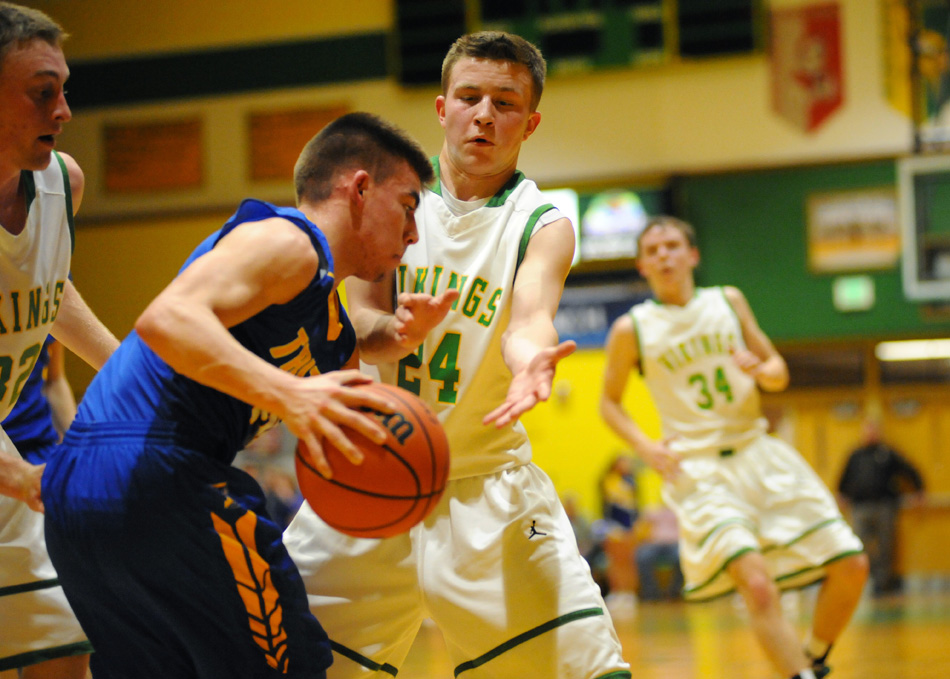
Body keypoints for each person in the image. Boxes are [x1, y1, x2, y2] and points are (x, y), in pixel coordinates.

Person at [285, 31, 631, 679]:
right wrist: (392, 330)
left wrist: (531, 359)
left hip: (488, 487)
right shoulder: (384, 195)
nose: (485, 114)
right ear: (442, 108)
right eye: (470, 97)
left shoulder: (543, 220)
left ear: (529, 123)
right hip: (366, 475)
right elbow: (358, 316)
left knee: (593, 671)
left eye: (505, 102)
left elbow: (529, 316)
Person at [41, 111, 434, 679]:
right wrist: (290, 395)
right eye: (408, 206)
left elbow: (351, 410)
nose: (414, 233)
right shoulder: (288, 240)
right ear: (360, 188)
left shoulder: (331, 330)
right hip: (160, 472)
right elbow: (167, 318)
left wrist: (395, 336)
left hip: (77, 492)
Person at [600, 216, 869, 679]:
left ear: (692, 255)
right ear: (643, 265)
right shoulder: (633, 328)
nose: (663, 255)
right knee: (759, 588)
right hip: (700, 470)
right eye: (653, 250)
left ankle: (814, 658)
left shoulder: (728, 301)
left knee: (852, 565)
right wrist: (645, 447)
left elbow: (777, 371)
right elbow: (609, 403)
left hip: (758, 451)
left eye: (671, 246)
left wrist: (764, 373)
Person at [0, 4, 119, 676]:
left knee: (64, 640)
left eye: (64, 89)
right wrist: (22, 476)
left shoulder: (59, 183)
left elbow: (45, 286)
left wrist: (126, 366)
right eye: (42, 92)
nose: (65, 110)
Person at [838, 418, 925, 595]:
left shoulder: (887, 453)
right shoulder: (855, 455)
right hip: (860, 507)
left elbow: (909, 469)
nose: (870, 434)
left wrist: (919, 490)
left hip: (884, 506)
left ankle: (883, 585)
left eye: (873, 430)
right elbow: (843, 479)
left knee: (886, 547)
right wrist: (841, 495)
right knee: (859, 546)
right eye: (867, 430)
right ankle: (864, 582)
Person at [3, 336, 77, 463]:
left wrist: (77, 444)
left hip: (40, 445)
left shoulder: (52, 317)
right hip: (5, 451)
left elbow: (55, 381)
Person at [633, 505, 682, 601]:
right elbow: (640, 523)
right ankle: (651, 593)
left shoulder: (680, 512)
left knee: (682, 558)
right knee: (642, 556)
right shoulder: (656, 511)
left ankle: (675, 592)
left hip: (674, 544)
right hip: (656, 543)